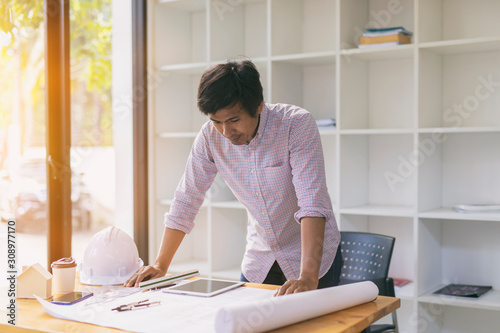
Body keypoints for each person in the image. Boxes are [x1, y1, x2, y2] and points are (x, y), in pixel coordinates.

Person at [125, 59, 342, 296]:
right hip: (260, 259)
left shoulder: (295, 125)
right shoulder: (209, 137)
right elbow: (187, 200)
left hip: (312, 263)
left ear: (258, 106)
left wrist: (308, 277)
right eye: (216, 121)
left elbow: (312, 202)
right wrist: (160, 265)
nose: (226, 132)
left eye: (233, 120)